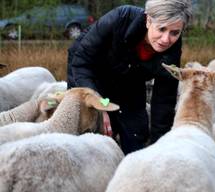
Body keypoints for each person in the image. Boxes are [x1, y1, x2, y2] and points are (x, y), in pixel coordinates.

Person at [67, 0, 192, 155]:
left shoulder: (172, 51)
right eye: (161, 29)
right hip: (90, 74)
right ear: (148, 20)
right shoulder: (121, 18)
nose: (166, 39)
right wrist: (99, 105)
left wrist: (160, 147)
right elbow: (81, 62)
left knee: (136, 133)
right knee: (94, 132)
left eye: (175, 33)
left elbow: (164, 100)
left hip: (131, 80)